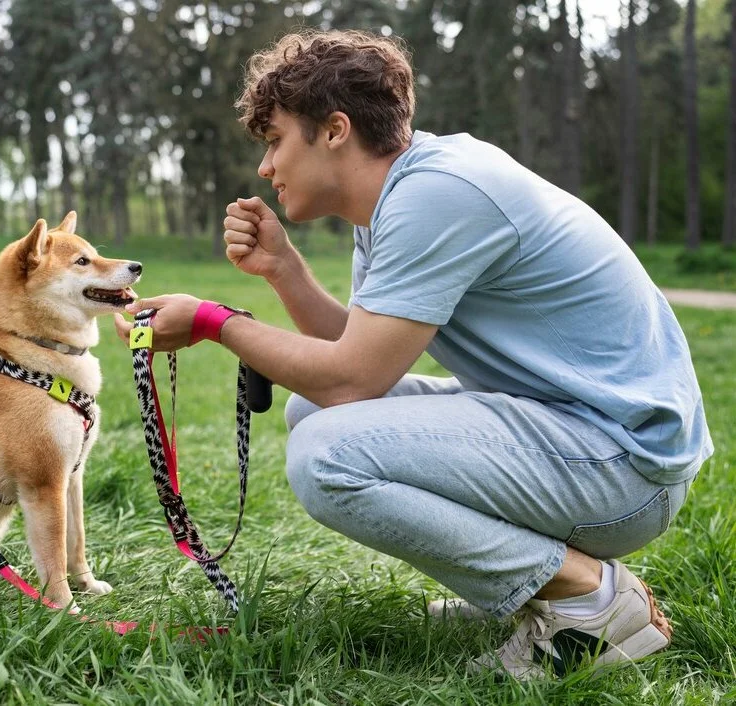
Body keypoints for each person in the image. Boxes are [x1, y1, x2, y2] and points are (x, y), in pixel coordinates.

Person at [113, 29, 712, 679]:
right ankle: (527, 593)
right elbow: (355, 354)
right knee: (310, 417)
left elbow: (354, 381)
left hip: (627, 464)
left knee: (328, 454)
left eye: (276, 140)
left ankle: (589, 600)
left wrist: (212, 321)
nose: (266, 167)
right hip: (583, 440)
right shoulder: (396, 200)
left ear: (335, 130)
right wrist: (283, 268)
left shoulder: (438, 194)